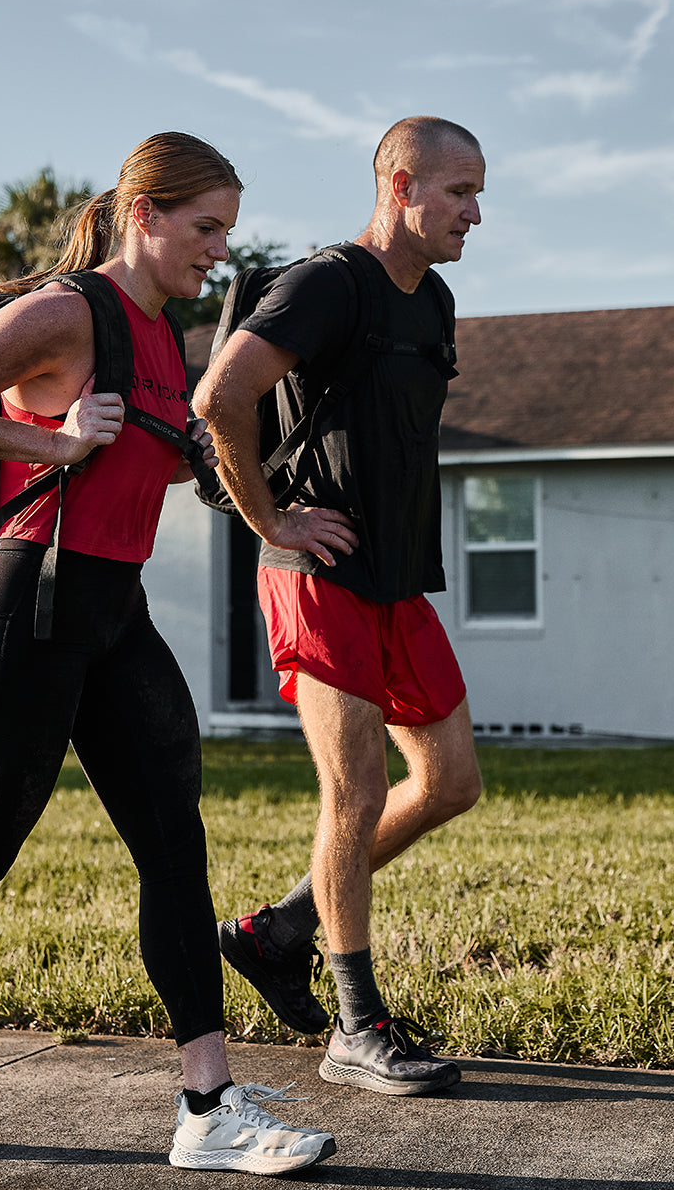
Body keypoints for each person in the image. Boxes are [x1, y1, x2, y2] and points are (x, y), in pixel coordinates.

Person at [0, 132, 335, 1177]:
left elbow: (151, 466)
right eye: (204, 226)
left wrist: (271, 513)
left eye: (228, 229)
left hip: (112, 609)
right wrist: (56, 443)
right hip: (26, 605)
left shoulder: (166, 338)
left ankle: (208, 1105)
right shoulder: (68, 311)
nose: (218, 248)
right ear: (145, 214)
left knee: (174, 843)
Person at [192, 116, 486, 1097]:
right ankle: (358, 1027)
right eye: (459, 194)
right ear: (402, 186)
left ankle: (280, 930)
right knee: (355, 795)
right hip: (318, 577)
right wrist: (270, 522)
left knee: (450, 782)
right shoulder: (327, 284)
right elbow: (220, 398)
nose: (475, 214)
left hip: (399, 578)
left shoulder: (433, 301)